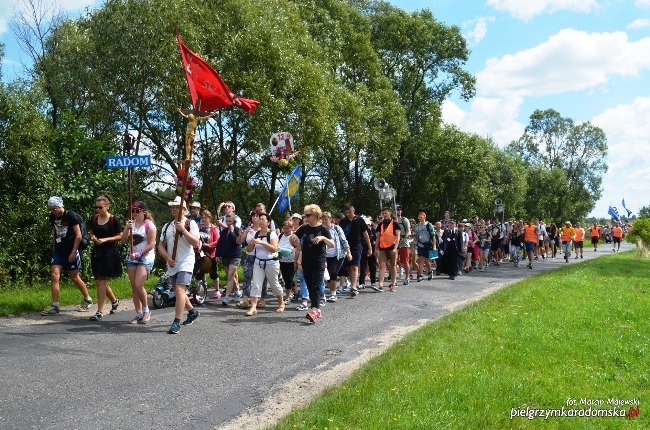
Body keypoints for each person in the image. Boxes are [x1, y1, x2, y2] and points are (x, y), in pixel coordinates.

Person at [41, 197, 94, 315]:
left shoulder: (70, 215)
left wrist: (73, 252)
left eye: (54, 209)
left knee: (74, 277)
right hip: (59, 250)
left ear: (60, 206)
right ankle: (55, 306)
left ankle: (87, 299)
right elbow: (55, 233)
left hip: (71, 250)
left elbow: (78, 235)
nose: (52, 212)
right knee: (54, 275)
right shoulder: (53, 217)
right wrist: (54, 249)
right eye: (50, 210)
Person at [158, 196, 201, 334]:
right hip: (172, 263)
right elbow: (160, 246)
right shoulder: (166, 226)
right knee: (179, 292)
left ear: (184, 210)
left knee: (178, 290)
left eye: (178, 207)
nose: (175, 209)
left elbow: (196, 243)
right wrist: (167, 257)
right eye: (173, 207)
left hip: (186, 261)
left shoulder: (190, 223)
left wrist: (183, 230)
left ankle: (176, 322)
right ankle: (192, 312)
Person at [291, 204, 333, 323]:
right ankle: (316, 309)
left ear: (315, 216)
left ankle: (315, 310)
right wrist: (293, 238)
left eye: (308, 215)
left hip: (319, 261)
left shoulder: (323, 229)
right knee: (309, 285)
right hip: (306, 260)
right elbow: (293, 237)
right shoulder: (304, 228)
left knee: (315, 285)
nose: (306, 217)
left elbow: (332, 244)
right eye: (305, 215)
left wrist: (323, 239)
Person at [88, 194, 122, 321]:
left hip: (109, 252)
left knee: (100, 281)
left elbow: (120, 236)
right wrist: (93, 237)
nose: (98, 209)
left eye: (100, 207)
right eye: (96, 207)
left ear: (107, 206)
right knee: (100, 280)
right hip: (97, 252)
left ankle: (100, 311)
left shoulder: (114, 219)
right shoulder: (94, 218)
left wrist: (106, 239)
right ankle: (114, 300)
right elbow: (91, 231)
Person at [122, 201, 157, 323]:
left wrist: (139, 253)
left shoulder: (149, 225)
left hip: (144, 258)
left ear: (143, 211)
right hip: (131, 257)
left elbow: (152, 243)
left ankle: (146, 310)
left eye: (137, 210)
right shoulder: (131, 224)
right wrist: (127, 228)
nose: (134, 213)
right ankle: (138, 313)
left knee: (138, 284)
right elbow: (123, 240)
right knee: (133, 287)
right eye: (132, 210)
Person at [245, 213, 284, 315]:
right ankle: (253, 307)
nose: (260, 221)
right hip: (258, 262)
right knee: (256, 284)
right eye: (260, 219)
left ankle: (281, 303)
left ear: (268, 222)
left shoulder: (272, 234)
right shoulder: (256, 234)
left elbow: (274, 249)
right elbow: (249, 250)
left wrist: (262, 243)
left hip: (271, 263)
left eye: (263, 219)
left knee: (274, 284)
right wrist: (251, 243)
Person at [338, 204, 372, 297]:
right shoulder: (343, 221)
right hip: (346, 247)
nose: (349, 214)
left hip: (357, 246)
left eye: (350, 212)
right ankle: (352, 283)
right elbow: (340, 234)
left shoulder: (360, 220)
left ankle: (354, 287)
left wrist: (370, 247)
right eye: (347, 212)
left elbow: (365, 234)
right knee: (348, 267)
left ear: (354, 211)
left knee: (354, 266)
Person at [323, 212, 351, 303]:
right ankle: (332, 291)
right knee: (327, 276)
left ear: (331, 219)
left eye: (326, 219)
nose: (324, 221)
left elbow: (344, 241)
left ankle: (333, 295)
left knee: (333, 272)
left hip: (338, 255)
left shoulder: (336, 228)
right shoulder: (321, 230)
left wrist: (349, 253)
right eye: (322, 219)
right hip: (326, 256)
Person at [216, 213, 243, 305]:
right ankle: (238, 291)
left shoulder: (237, 230)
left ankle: (226, 297)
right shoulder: (223, 232)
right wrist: (217, 254)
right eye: (226, 221)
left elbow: (236, 242)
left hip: (235, 255)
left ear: (234, 221)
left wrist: (231, 232)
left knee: (230, 275)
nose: (228, 223)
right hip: (225, 256)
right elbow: (219, 244)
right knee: (229, 275)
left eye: (230, 221)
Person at [376, 207, 401, 291]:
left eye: (386, 213)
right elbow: (378, 237)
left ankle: (393, 283)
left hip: (392, 248)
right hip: (382, 248)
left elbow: (398, 237)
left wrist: (395, 248)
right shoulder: (380, 225)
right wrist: (376, 249)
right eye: (383, 213)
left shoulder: (395, 224)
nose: (384, 215)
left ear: (390, 213)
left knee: (393, 266)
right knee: (382, 265)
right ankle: (381, 283)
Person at [199, 210, 220, 294]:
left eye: (206, 218)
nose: (204, 219)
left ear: (209, 218)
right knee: (200, 271)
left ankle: (217, 290)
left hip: (211, 253)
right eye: (202, 218)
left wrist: (209, 245)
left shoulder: (214, 228)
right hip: (200, 253)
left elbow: (218, 241)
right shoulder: (199, 227)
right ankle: (199, 291)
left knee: (213, 272)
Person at [414, 212, 436, 281]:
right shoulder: (417, 226)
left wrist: (434, 246)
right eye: (419, 217)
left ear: (424, 217)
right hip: (420, 245)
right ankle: (421, 275)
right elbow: (415, 236)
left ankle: (430, 271)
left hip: (428, 245)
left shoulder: (429, 225)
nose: (420, 218)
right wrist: (414, 244)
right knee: (421, 259)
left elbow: (433, 236)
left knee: (427, 260)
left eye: (421, 217)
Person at [395, 205, 412, 285]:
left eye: (399, 209)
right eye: (397, 209)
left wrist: (407, 234)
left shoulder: (404, 220)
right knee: (393, 261)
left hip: (403, 242)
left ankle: (407, 277)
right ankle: (394, 278)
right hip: (394, 242)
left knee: (405, 261)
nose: (398, 211)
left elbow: (408, 230)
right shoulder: (393, 221)